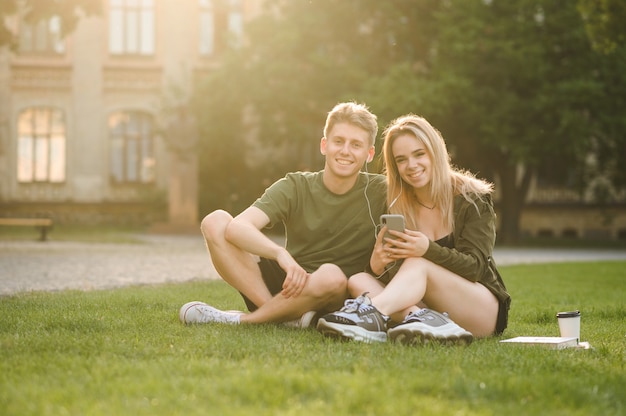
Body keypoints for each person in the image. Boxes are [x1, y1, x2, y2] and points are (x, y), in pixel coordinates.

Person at [179, 102, 387, 327]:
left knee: (331, 275)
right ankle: (280, 316)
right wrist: (280, 254)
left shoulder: (382, 190)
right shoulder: (296, 185)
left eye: (356, 144)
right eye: (339, 141)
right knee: (215, 222)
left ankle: (248, 320)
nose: (345, 151)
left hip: (333, 294)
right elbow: (237, 227)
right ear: (324, 145)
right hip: (289, 284)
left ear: (369, 153)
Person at [316, 114, 511, 344]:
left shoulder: (472, 198)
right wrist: (377, 267)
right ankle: (421, 320)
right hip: (431, 307)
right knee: (359, 279)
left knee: (418, 263)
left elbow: (475, 268)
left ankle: (369, 316)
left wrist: (426, 249)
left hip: (481, 310)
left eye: (419, 154)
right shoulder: (397, 204)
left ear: (435, 152)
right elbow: (405, 281)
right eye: (401, 159)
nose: (411, 166)